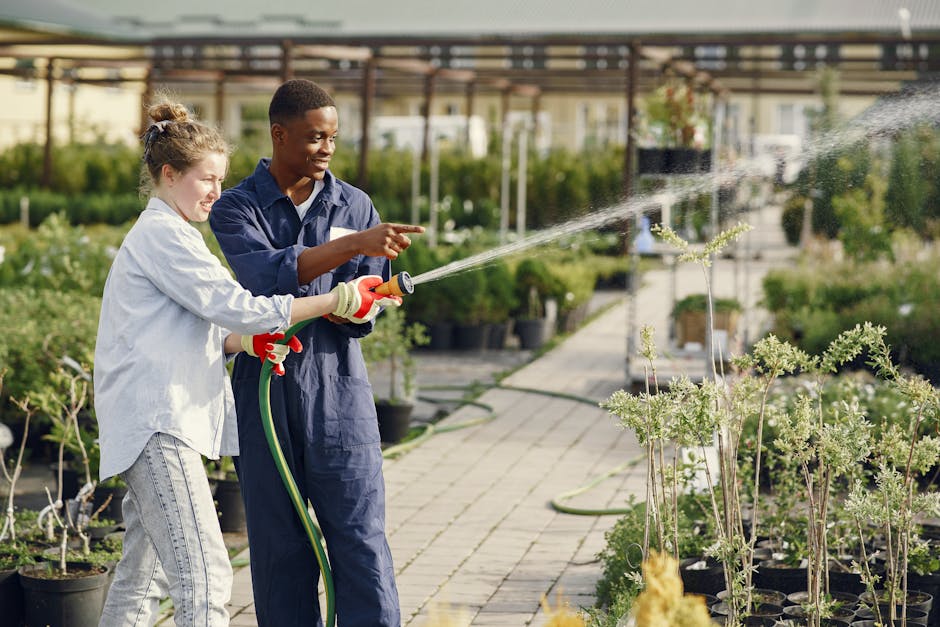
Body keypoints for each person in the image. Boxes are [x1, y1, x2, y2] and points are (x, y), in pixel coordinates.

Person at [94, 99, 401, 627]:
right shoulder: (174, 233)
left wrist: (243, 343)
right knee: (209, 575)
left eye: (220, 178)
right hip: (164, 423)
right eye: (206, 178)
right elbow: (243, 302)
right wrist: (331, 299)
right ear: (169, 175)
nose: (216, 191)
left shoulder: (177, 234)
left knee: (142, 578)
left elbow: (197, 325)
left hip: (322, 390)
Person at [209, 78, 424, 626]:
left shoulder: (355, 203)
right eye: (313, 138)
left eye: (332, 137)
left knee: (360, 539)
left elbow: (364, 293)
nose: (326, 148)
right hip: (266, 393)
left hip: (339, 393)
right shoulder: (236, 208)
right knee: (281, 550)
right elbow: (263, 281)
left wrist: (364, 305)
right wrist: (352, 250)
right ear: (279, 135)